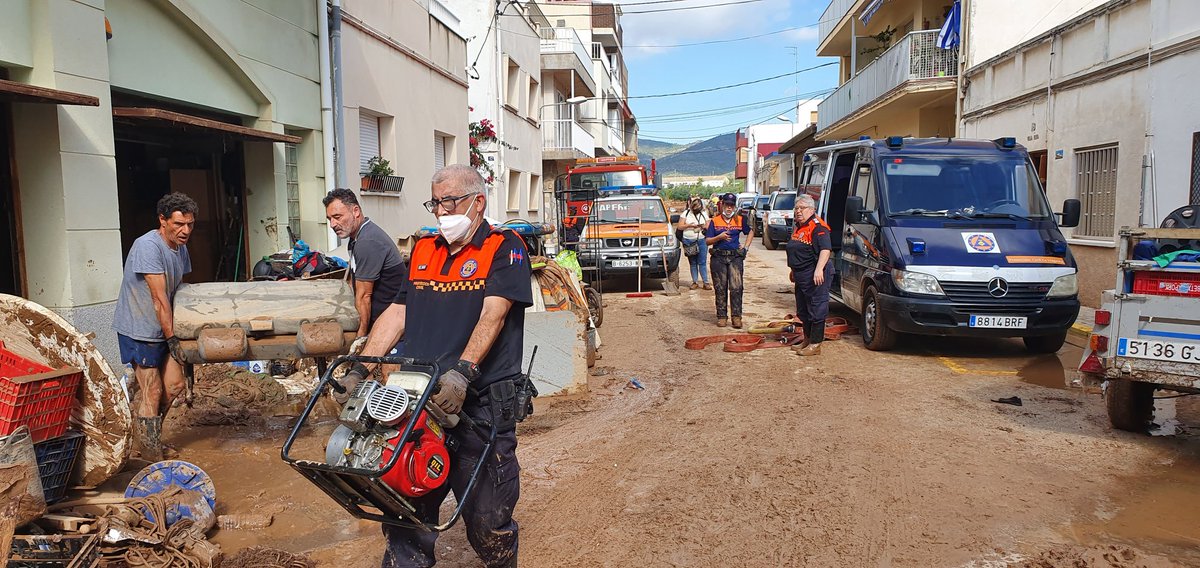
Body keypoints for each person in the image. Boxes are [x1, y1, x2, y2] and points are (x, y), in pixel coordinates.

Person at [348, 164, 532, 568]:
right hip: (417, 399)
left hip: (479, 404)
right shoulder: (424, 248)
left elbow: (494, 314)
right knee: (405, 508)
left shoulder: (505, 247)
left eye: (450, 201)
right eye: (435, 202)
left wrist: (463, 372)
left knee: (487, 520)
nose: (441, 211)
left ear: (478, 202)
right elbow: (398, 312)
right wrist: (361, 366)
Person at [112, 192, 197, 461]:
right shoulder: (147, 246)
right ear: (162, 220)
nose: (185, 231)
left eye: (190, 224)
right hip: (139, 328)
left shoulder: (180, 247)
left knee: (174, 386)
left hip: (165, 326)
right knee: (153, 390)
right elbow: (159, 298)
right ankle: (150, 456)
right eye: (179, 224)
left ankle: (148, 438)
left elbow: (178, 290)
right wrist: (173, 339)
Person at [323, 188, 408, 338]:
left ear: (355, 211)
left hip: (390, 324)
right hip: (381, 319)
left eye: (337, 217)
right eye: (330, 219)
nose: (333, 224)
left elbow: (364, 296)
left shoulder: (367, 241)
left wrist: (360, 337)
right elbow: (354, 280)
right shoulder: (357, 238)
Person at [786, 194, 833, 356]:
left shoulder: (818, 227)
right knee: (803, 310)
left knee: (817, 309)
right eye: (796, 208)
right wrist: (793, 270)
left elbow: (825, 250)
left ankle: (815, 344)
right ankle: (806, 340)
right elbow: (797, 251)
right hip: (801, 275)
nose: (798, 211)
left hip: (815, 274)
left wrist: (819, 269)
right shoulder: (799, 226)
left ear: (812, 209)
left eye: (802, 208)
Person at [705, 192, 753, 328]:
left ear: (734, 206)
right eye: (727, 205)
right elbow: (708, 241)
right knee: (720, 288)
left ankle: (736, 317)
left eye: (732, 205)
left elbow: (750, 232)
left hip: (735, 258)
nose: (729, 208)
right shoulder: (715, 221)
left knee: (736, 287)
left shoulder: (740, 220)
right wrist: (719, 237)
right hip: (718, 258)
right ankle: (722, 316)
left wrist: (746, 248)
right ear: (722, 205)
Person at [679, 196, 711, 290]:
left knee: (702, 262)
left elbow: (709, 225)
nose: (697, 209)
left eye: (698, 207)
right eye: (695, 207)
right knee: (693, 262)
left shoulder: (704, 214)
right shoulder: (686, 213)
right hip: (688, 240)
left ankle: (706, 282)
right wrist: (689, 225)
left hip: (701, 240)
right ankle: (695, 282)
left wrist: (703, 226)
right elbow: (680, 227)